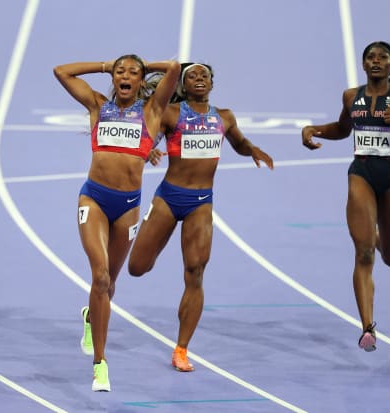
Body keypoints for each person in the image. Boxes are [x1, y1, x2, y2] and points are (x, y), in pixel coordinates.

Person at [127, 63, 274, 372]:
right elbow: (146, 138)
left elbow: (239, 143)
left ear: (212, 83)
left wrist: (254, 150)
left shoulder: (224, 117)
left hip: (200, 204)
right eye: (191, 76)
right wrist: (150, 150)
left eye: (203, 75)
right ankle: (151, 250)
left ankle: (181, 348)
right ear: (183, 83)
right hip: (168, 198)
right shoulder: (172, 113)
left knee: (195, 272)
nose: (198, 79)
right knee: (137, 268)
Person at [53, 56, 180, 391]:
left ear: (141, 80)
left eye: (132, 73)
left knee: (109, 287)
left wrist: (144, 65)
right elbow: (61, 71)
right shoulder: (98, 105)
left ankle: (90, 316)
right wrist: (106, 64)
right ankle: (100, 364)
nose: (125, 76)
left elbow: (174, 68)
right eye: (120, 72)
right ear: (113, 77)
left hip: (127, 207)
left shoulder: (151, 111)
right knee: (100, 275)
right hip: (93, 198)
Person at [301, 41, 390, 352]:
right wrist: (313, 130)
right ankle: (367, 328)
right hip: (360, 175)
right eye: (370, 57)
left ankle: (375, 232)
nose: (375, 61)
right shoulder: (352, 96)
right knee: (363, 253)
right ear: (363, 65)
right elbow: (342, 128)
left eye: (382, 58)